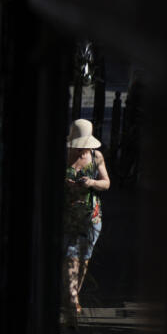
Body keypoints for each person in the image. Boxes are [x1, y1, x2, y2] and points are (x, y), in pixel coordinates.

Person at [63, 118, 110, 317]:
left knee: (85, 258)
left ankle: (74, 295)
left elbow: (106, 183)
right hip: (70, 215)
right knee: (72, 255)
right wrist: (69, 185)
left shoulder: (96, 156)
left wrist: (91, 182)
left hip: (92, 216)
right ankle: (72, 300)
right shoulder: (64, 155)